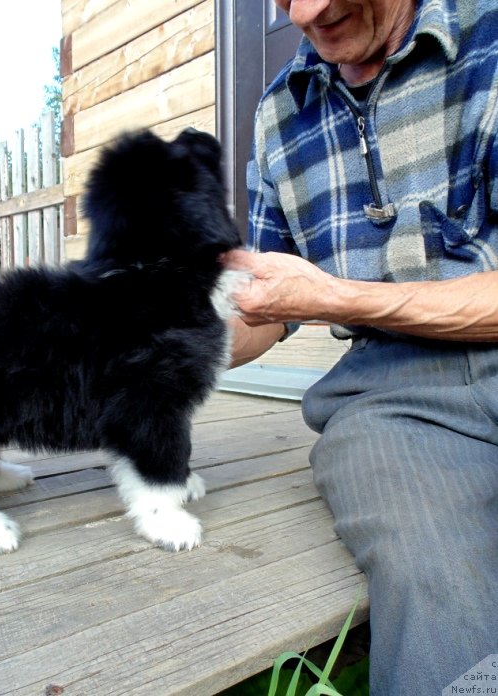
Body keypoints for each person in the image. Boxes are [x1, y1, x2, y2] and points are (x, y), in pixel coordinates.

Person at [221, 0, 498, 693]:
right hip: (390, 397)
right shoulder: (280, 114)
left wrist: (337, 298)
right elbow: (266, 305)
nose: (307, 12)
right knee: (432, 566)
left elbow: (312, 297)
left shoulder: (488, 44)